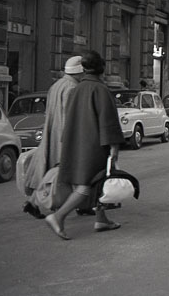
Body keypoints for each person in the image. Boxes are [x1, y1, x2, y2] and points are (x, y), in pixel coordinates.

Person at [44, 50, 125, 240]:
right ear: (102, 68)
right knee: (86, 186)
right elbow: (108, 121)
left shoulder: (77, 88)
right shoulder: (101, 89)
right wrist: (114, 147)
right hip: (93, 146)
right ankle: (58, 217)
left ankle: (101, 219)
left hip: (75, 143)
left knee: (98, 184)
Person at [23, 56, 84, 219]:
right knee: (66, 173)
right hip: (63, 136)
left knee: (49, 171)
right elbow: (70, 116)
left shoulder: (56, 85)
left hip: (52, 132)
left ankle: (33, 202)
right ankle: (77, 205)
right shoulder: (73, 88)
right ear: (79, 72)